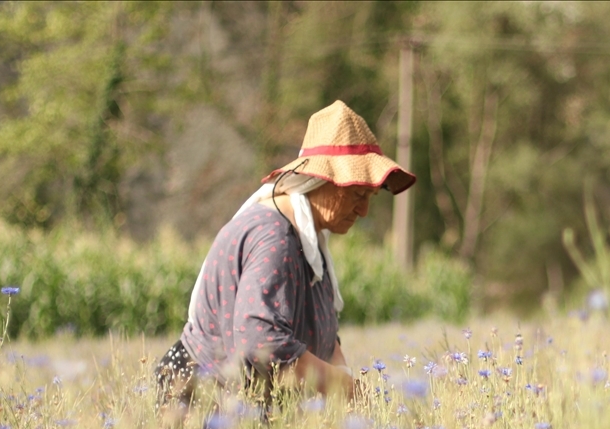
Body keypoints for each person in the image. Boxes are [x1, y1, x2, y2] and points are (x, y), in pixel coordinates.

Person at [155, 100, 415, 410]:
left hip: (241, 406)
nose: (364, 210)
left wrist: (346, 383)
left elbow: (324, 335)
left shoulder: (308, 238)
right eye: (357, 194)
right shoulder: (274, 237)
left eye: (369, 196)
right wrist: (341, 386)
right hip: (201, 400)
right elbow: (260, 339)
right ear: (320, 181)